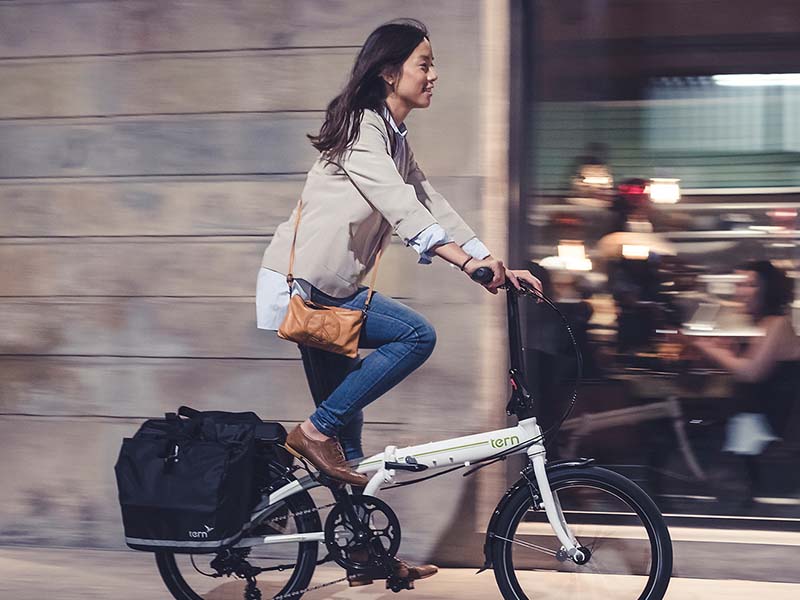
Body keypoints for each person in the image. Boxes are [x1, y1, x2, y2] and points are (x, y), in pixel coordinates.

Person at [255, 19, 541, 584]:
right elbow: (401, 208)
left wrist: (492, 262)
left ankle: (364, 554)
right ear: (391, 72)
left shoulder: (392, 135)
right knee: (414, 337)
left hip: (327, 289)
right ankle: (312, 434)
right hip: (309, 289)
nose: (434, 75)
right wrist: (463, 262)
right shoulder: (363, 129)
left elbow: (429, 201)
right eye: (424, 65)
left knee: (349, 441)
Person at [691, 260, 800, 505]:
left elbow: (751, 372)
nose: (740, 291)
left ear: (767, 289)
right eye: (739, 284)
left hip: (772, 421)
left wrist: (705, 347)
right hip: (759, 418)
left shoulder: (777, 324)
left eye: (749, 284)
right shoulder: (760, 325)